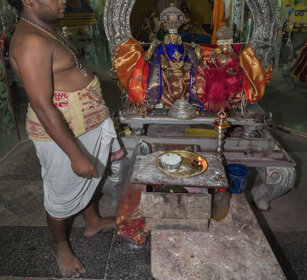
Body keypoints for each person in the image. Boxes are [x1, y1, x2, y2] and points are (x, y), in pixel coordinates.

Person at [7, 0, 124, 277]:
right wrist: (74, 154)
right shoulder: (31, 41)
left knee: (91, 176)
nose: (64, 1)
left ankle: (92, 220)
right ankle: (60, 245)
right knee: (61, 193)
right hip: (61, 132)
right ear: (29, 1)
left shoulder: (46, 28)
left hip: (86, 122)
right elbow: (41, 105)